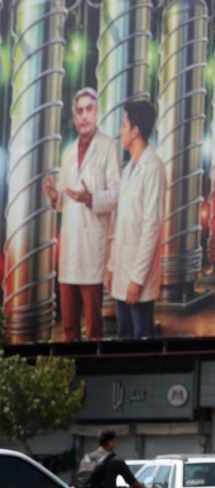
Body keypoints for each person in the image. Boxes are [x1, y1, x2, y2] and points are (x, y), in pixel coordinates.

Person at [42, 88, 121, 341]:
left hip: (92, 248)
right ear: (74, 116)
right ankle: (68, 370)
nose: (84, 116)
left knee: (94, 326)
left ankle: (94, 372)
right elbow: (68, 199)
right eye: (79, 111)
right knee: (68, 325)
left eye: (89, 109)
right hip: (70, 250)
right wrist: (56, 198)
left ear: (96, 113)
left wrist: (91, 199)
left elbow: (117, 195)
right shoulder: (67, 154)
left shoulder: (108, 147)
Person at [108, 101, 165, 341]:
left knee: (141, 339)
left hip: (137, 279)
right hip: (123, 272)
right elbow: (120, 224)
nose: (120, 131)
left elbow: (151, 227)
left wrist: (137, 278)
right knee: (124, 337)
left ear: (136, 131)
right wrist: (112, 266)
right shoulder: (130, 168)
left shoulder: (153, 168)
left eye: (124, 125)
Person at [79, 429, 144, 488]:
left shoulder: (86, 459)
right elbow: (133, 482)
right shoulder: (115, 460)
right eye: (114, 441)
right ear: (110, 443)